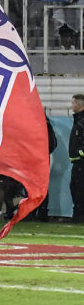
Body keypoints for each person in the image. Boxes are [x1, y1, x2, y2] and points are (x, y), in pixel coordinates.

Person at [70, 94, 84, 222]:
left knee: (79, 191)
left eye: (73, 103)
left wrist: (80, 153)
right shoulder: (78, 120)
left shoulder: (82, 122)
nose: (71, 105)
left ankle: (79, 217)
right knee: (75, 189)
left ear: (79, 105)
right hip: (77, 163)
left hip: (81, 164)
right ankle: (78, 216)